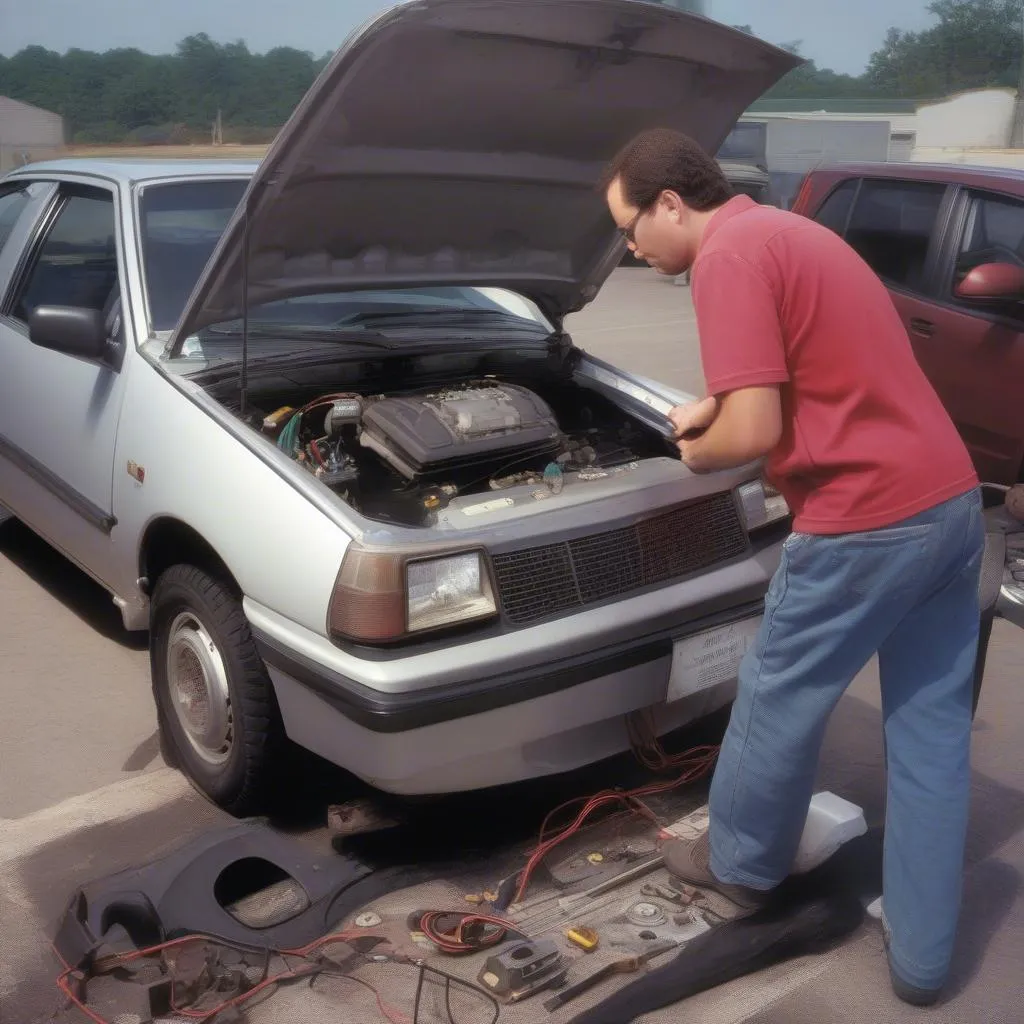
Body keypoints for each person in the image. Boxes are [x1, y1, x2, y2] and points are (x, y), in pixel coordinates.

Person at [599, 128, 983, 1007]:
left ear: (669, 204)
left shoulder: (725, 258)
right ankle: (924, 963)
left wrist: (698, 452)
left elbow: (755, 434)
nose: (629, 247)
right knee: (928, 737)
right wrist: (717, 405)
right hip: (950, 503)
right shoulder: (792, 233)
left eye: (628, 227)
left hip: (865, 523)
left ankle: (740, 863)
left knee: (776, 695)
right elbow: (807, 371)